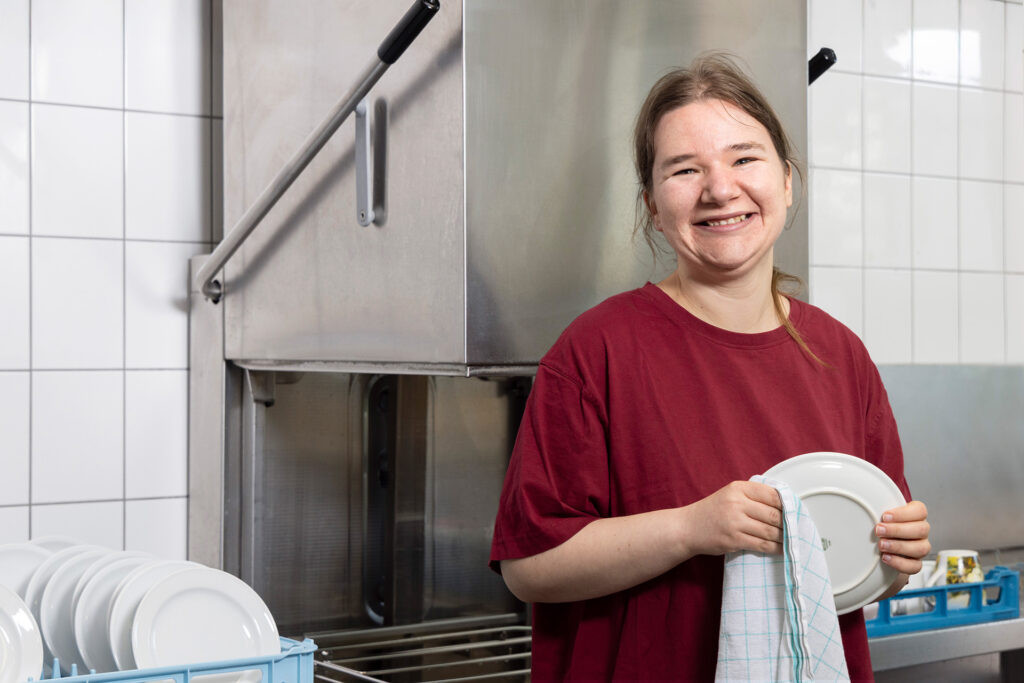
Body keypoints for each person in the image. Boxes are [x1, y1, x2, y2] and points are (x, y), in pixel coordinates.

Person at [488, 53, 931, 682]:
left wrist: (895, 558)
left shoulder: (841, 355)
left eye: (744, 158)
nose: (720, 189)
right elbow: (529, 567)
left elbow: (855, 579)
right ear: (652, 202)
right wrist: (689, 529)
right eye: (685, 168)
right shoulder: (597, 350)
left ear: (786, 181)